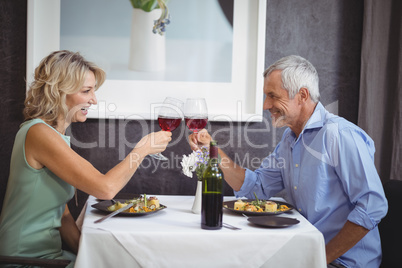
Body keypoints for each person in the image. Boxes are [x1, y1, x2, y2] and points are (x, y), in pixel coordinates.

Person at [188, 55, 388, 268]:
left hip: (341, 262)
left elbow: (372, 206)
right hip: (305, 253)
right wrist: (213, 152)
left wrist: (318, 259)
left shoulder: (340, 134)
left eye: (272, 96)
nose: (266, 105)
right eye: (266, 96)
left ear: (302, 95)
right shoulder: (290, 139)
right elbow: (257, 188)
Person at [0, 50, 172, 266]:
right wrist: (142, 149)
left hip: (52, 256)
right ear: (59, 92)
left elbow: (62, 218)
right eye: (86, 91)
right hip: (23, 258)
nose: (94, 100)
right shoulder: (38, 133)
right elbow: (105, 189)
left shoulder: (55, 137)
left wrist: (90, 254)